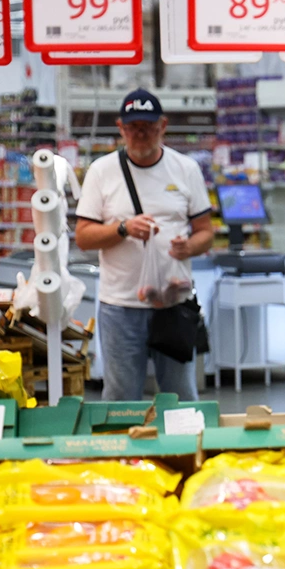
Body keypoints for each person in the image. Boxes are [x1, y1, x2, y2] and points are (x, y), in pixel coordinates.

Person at [75, 89, 214, 401]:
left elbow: (206, 232)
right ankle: (124, 437)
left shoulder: (185, 169)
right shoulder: (101, 171)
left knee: (180, 396)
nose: (140, 134)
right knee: (121, 398)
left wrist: (190, 246)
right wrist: (123, 228)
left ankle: (181, 436)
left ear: (162, 126)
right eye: (132, 127)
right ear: (120, 128)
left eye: (148, 127)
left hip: (173, 303)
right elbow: (83, 237)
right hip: (120, 306)